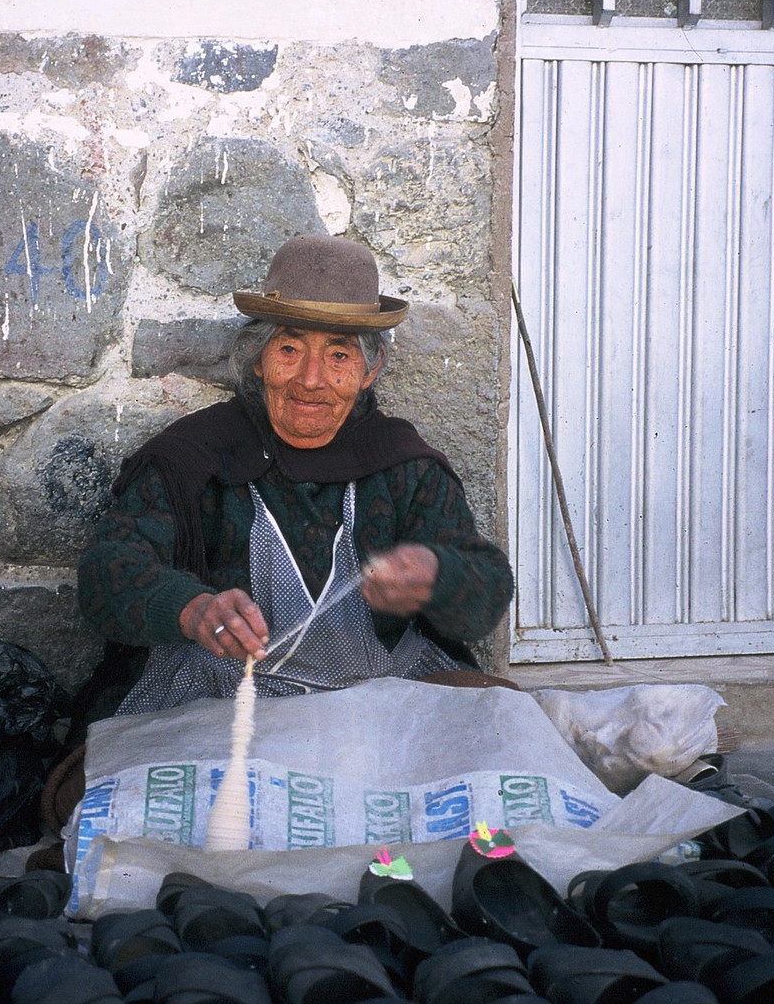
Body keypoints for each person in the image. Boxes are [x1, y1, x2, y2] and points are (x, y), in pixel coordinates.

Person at [75, 235, 515, 719]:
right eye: (289, 348)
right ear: (258, 360)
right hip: (220, 711)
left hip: (373, 715)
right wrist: (191, 608)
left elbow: (487, 592)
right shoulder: (194, 459)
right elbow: (106, 575)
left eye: (339, 356)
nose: (311, 379)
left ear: (371, 370)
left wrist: (439, 577)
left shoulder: (404, 467)